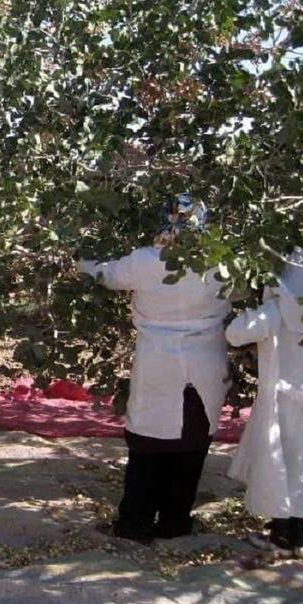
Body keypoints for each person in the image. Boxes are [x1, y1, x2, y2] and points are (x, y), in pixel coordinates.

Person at [78, 194, 230, 540]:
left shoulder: (146, 260)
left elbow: (105, 274)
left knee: (148, 443)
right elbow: (238, 293)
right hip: (206, 360)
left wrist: (78, 258)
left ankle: (135, 521)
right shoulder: (218, 266)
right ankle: (176, 521)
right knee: (192, 441)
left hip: (157, 361)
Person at [225, 248, 303, 559]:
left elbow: (234, 334)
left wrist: (260, 310)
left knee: (278, 462)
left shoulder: (277, 311)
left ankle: (280, 534)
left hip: (282, 398)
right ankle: (302, 534)